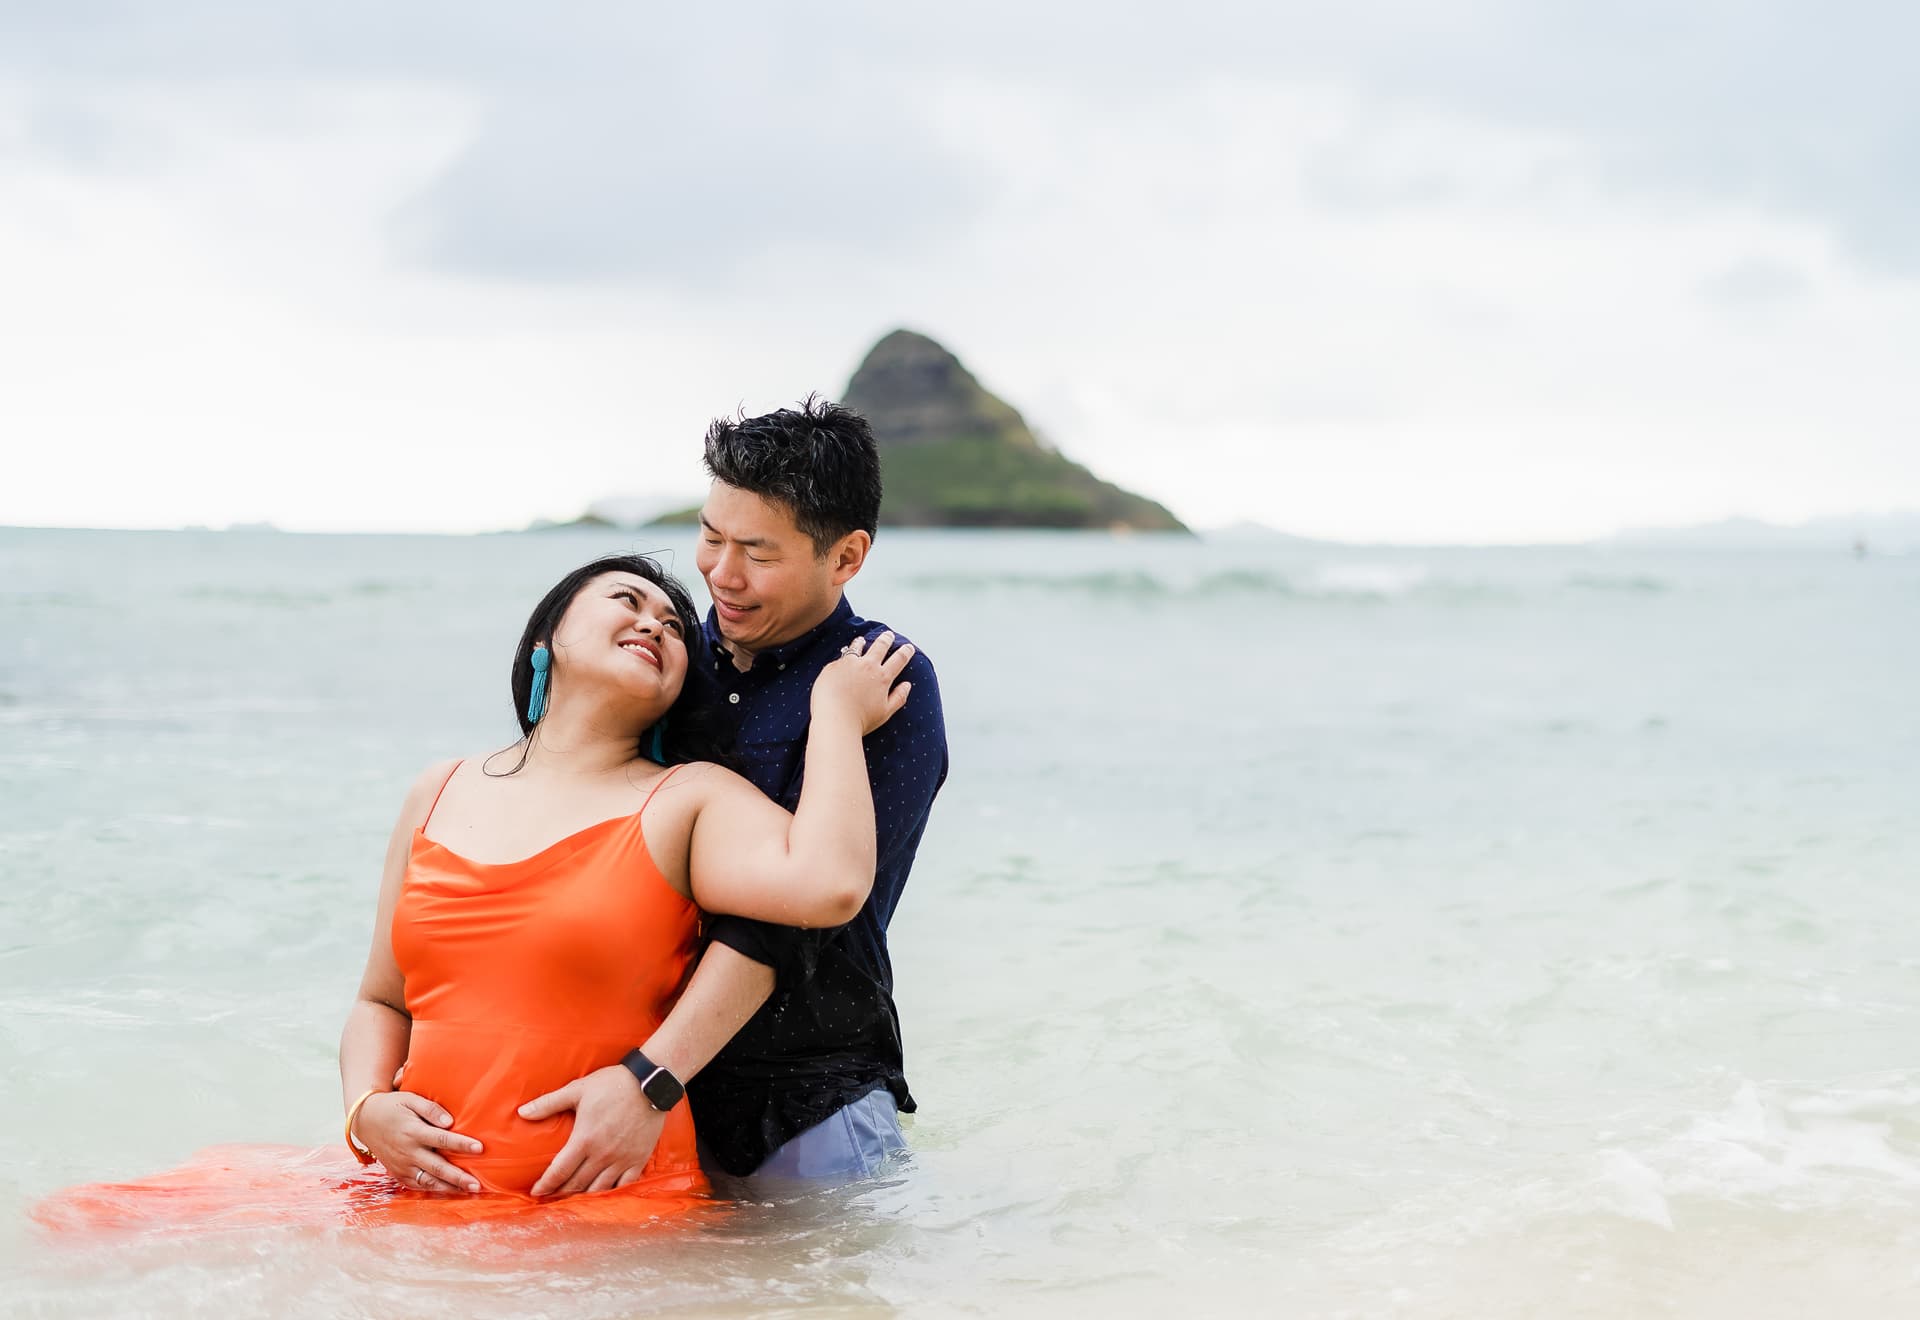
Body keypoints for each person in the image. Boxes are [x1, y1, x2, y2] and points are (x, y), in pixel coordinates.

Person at [35, 553, 917, 1231]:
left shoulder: (688, 798)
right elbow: (381, 999)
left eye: (676, 626)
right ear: (545, 643)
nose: (658, 621)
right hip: (416, 1189)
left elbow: (831, 886)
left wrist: (834, 714)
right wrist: (365, 1111)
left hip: (600, 1204)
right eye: (626, 601)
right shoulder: (439, 787)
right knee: (79, 1225)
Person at [519, 399, 948, 1190]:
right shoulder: (674, 660)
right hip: (631, 1100)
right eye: (712, 538)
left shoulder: (883, 680)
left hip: (807, 1104)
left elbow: (797, 920)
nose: (721, 573)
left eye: (757, 551)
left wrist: (654, 1075)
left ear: (846, 556)